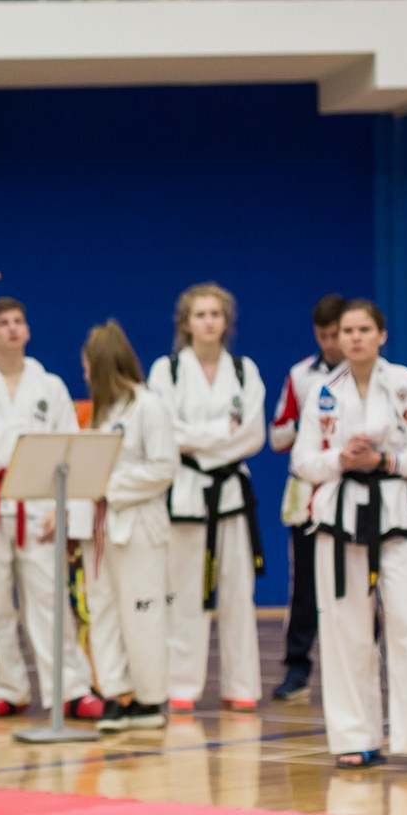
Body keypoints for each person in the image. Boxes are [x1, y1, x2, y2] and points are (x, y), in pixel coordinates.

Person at [291, 299, 407, 775]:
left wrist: (385, 462)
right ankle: (356, 737)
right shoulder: (322, 392)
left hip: (397, 517)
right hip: (339, 520)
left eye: (363, 329)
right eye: (347, 330)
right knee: (345, 630)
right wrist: (342, 458)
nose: (354, 338)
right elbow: (302, 461)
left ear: (382, 335)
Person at [0, 272, 93, 713]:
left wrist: (65, 508)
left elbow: (72, 448)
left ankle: (69, 689)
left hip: (39, 503)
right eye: (2, 322)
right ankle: (5, 688)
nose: (11, 328)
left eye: (17, 321)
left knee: (50, 601)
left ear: (27, 330)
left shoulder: (49, 385)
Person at [146, 283, 267, 713]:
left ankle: (242, 684)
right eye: (200, 315)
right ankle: (181, 684)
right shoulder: (167, 370)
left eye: (216, 314)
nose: (209, 321)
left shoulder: (244, 369)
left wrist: (202, 441)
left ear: (226, 322)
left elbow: (253, 435)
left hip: (232, 493)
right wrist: (221, 436)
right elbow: (166, 432)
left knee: (238, 591)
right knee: (184, 591)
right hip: (187, 493)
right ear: (186, 323)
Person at [82, 323, 177, 733]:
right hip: (99, 528)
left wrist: (109, 486)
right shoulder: (101, 412)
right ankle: (114, 694)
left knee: (142, 613)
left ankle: (149, 697)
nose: (84, 373)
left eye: (88, 365)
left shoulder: (148, 406)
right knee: (102, 612)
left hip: (139, 526)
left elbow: (163, 468)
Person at [266, 294, 346, 699]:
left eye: (337, 334)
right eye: (324, 335)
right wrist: (309, 427)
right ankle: (297, 667)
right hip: (307, 494)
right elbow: (277, 436)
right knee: (305, 587)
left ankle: (360, 664)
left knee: (358, 583)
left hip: (351, 493)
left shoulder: (365, 373)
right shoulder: (300, 375)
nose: (331, 343)